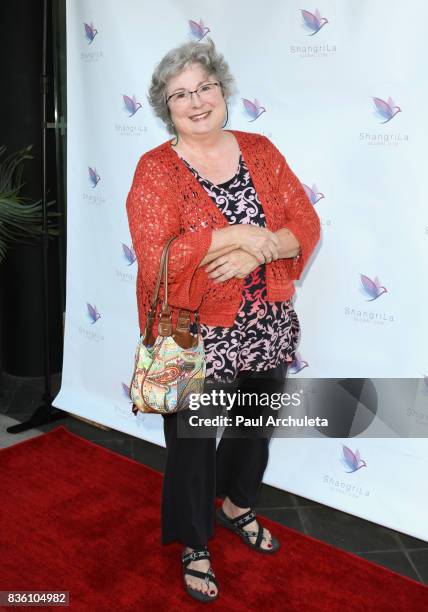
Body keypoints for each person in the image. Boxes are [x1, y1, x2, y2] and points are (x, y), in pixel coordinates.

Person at [125, 38, 320, 602]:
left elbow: (304, 224)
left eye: (204, 87)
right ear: (167, 108)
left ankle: (237, 504)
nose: (196, 101)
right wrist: (234, 234)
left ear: (222, 90)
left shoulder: (260, 149)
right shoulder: (156, 170)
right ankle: (195, 541)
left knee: (253, 426)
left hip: (266, 320)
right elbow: (156, 252)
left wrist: (258, 251)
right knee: (192, 439)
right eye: (180, 94)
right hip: (196, 331)